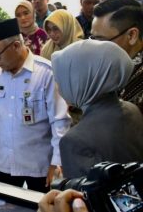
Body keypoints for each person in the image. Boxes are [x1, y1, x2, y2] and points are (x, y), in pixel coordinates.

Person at [0, 18, 71, 193]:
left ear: (15, 46)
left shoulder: (46, 73)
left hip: (39, 164)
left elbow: (59, 121)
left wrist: (57, 161)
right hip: (4, 162)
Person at [52, 40, 143, 179]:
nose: (58, 86)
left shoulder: (75, 141)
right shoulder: (132, 110)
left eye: (61, 79)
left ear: (80, 80)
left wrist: (62, 183)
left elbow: (83, 198)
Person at [91, 0, 143, 113]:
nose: (94, 46)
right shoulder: (110, 65)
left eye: (101, 40)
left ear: (132, 35)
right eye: (92, 38)